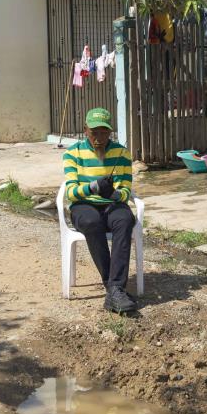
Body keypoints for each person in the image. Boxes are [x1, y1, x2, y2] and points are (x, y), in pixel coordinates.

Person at [63, 108, 138, 314]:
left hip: (111, 204)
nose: (99, 138)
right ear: (85, 130)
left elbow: (125, 190)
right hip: (83, 204)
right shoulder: (72, 153)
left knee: (125, 220)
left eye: (104, 133)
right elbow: (71, 193)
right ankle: (113, 287)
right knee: (91, 222)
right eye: (94, 132)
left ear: (110, 133)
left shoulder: (121, 153)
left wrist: (114, 195)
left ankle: (115, 289)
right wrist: (93, 187)